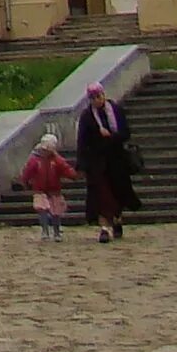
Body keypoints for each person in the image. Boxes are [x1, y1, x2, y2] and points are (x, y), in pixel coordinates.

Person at [74, 80, 140, 242]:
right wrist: (81, 164)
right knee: (101, 195)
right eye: (94, 97)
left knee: (118, 193)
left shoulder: (116, 110)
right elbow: (82, 141)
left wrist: (111, 136)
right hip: (97, 163)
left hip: (116, 160)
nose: (97, 100)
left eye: (99, 96)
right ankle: (104, 228)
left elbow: (126, 133)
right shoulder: (87, 116)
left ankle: (117, 219)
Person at [19, 132, 73, 241]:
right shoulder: (35, 160)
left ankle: (57, 232)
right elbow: (27, 171)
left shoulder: (56, 160)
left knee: (56, 212)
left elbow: (65, 169)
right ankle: (45, 230)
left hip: (54, 190)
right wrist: (24, 181)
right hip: (40, 190)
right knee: (42, 210)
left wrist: (74, 175)